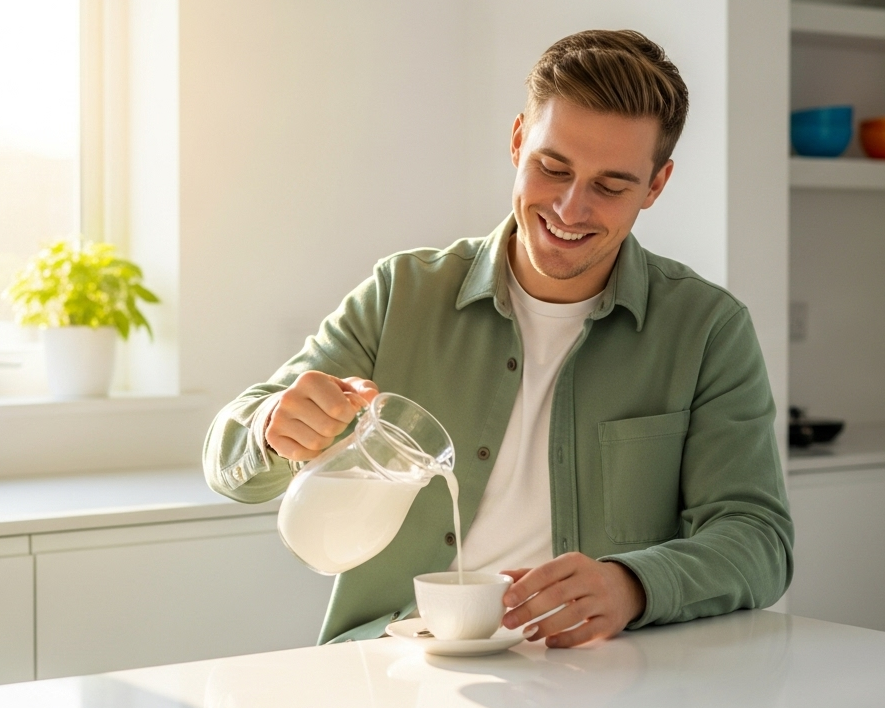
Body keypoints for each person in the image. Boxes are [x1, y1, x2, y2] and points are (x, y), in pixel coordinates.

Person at [204, 29, 793, 648]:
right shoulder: (402, 292)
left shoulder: (706, 329)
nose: (570, 208)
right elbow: (229, 463)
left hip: (601, 678)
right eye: (552, 167)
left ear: (656, 185)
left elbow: (758, 538)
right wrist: (274, 423)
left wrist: (632, 584)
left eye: (611, 186)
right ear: (518, 141)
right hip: (392, 666)